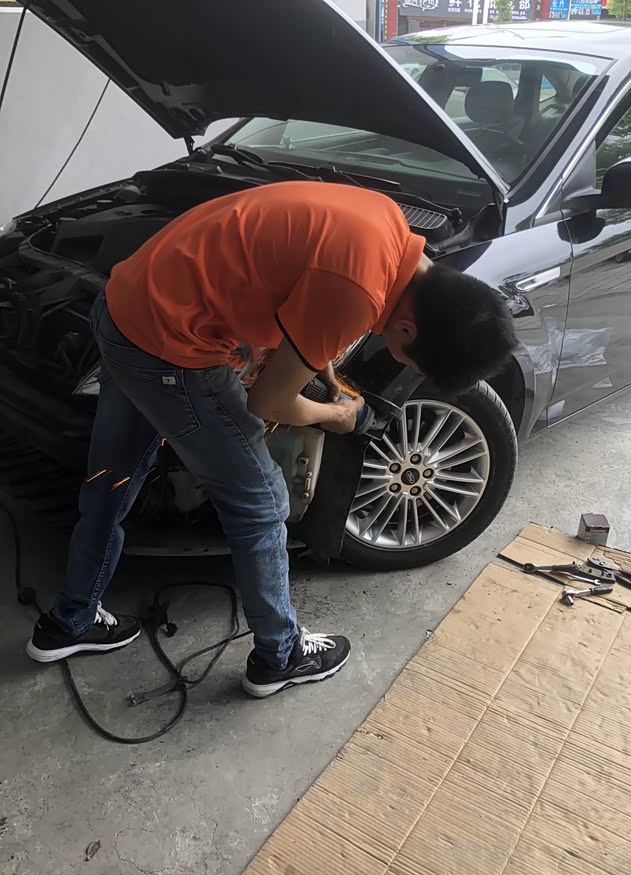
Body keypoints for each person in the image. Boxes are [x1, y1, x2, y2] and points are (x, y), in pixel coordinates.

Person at [26, 181, 516, 698]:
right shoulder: (358, 294)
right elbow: (269, 402)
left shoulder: (388, 226)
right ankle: (278, 656)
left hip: (125, 308)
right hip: (171, 350)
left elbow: (299, 288)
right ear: (409, 330)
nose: (404, 363)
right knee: (260, 502)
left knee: (113, 478)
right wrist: (337, 415)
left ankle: (70, 620)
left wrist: (320, 366)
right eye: (410, 360)